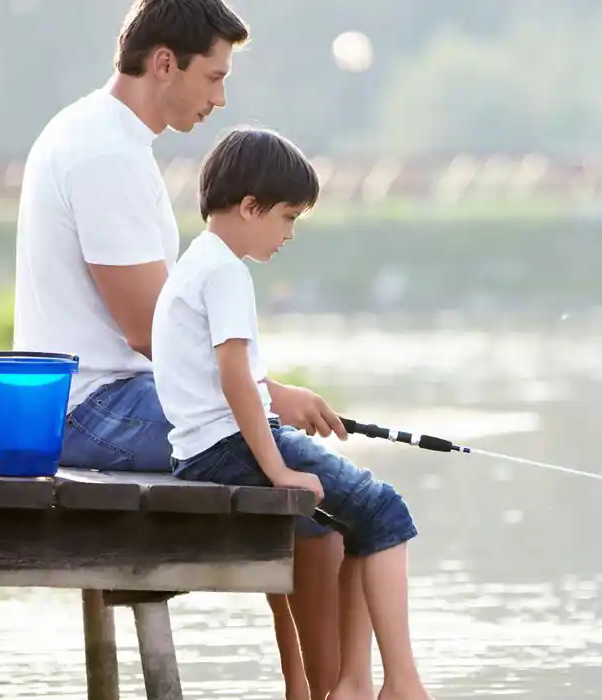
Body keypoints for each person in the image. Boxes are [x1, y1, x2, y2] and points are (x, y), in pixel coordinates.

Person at [10, 1, 351, 697]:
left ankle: (308, 687)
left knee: (289, 467)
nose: (220, 98)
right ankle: (325, 690)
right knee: (322, 499)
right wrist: (268, 395)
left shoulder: (100, 135)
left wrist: (263, 394)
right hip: (93, 409)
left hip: (108, 397)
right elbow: (148, 329)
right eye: (213, 77)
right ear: (164, 62)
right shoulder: (106, 153)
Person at [152, 125, 434, 700]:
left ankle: (355, 682)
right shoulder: (227, 272)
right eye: (287, 217)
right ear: (250, 206)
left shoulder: (195, 263)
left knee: (362, 521)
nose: (289, 234)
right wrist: (279, 470)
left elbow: (234, 379)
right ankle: (400, 683)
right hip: (230, 448)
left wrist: (283, 414)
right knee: (387, 510)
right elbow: (236, 380)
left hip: (201, 452)